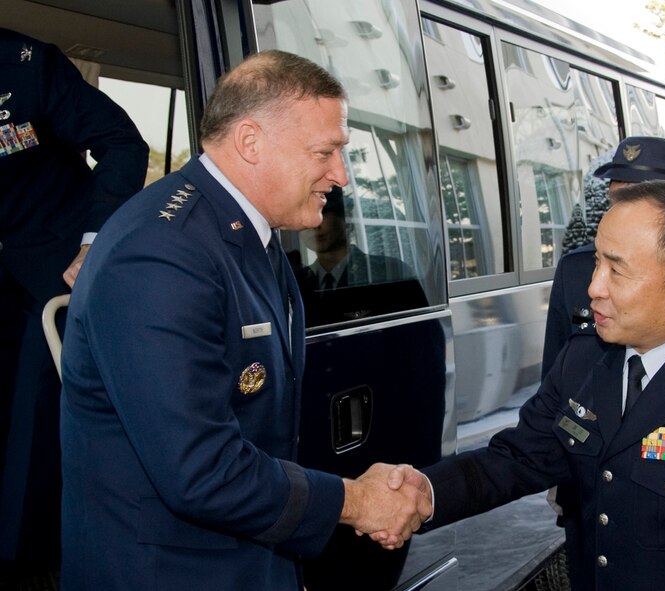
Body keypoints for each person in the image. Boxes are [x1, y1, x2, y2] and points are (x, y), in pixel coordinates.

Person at [59, 50, 429, 590]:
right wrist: (356, 501)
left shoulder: (246, 234)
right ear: (251, 142)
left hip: (244, 558)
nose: (341, 176)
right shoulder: (159, 252)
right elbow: (201, 469)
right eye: (325, 152)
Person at [386, 180, 665, 590]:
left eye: (617, 271)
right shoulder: (584, 360)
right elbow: (518, 458)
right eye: (597, 261)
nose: (594, 286)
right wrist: (422, 492)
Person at [0, 28, 148, 584]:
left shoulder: (26, 66)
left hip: (49, 272)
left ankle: (23, 567)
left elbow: (122, 143)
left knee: (31, 437)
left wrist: (94, 243)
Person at [542, 136, 665, 379]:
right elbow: (555, 369)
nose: (596, 287)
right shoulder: (574, 268)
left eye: (639, 201)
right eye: (618, 199)